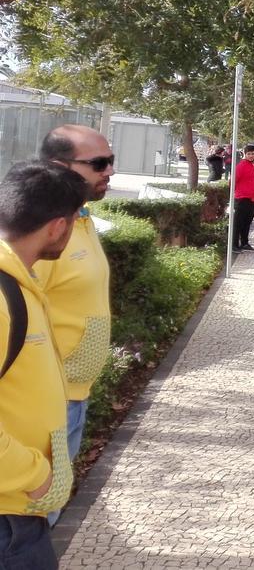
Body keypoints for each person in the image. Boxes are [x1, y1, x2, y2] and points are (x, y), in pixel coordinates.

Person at [0, 161, 90, 568]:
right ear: (57, 227)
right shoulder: (3, 297)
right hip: (8, 521)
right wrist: (34, 477)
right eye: (75, 220)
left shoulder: (19, 280)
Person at [35, 125, 115, 524]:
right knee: (32, 521)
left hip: (72, 396)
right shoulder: (43, 231)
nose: (110, 171)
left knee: (48, 514)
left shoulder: (79, 219)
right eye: (98, 163)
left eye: (111, 161)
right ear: (57, 166)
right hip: (45, 403)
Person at [232, 144, 254, 252]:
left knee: (247, 222)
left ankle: (244, 243)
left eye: (253, 154)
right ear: (245, 154)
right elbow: (233, 181)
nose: (251, 156)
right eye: (249, 154)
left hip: (252, 199)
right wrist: (232, 196)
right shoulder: (241, 166)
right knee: (238, 223)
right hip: (241, 199)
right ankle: (234, 245)